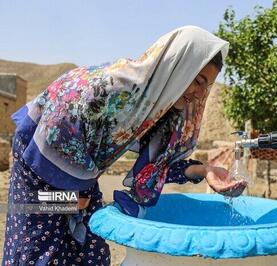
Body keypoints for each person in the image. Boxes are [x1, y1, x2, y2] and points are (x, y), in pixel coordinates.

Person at [3, 25, 246, 265]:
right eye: (198, 81)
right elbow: (57, 123)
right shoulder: (114, 87)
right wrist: (76, 192)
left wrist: (204, 171)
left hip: (81, 174)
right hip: (38, 161)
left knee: (91, 251)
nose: (199, 93)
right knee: (40, 246)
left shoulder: (160, 108)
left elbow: (155, 168)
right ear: (178, 67)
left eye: (207, 86)